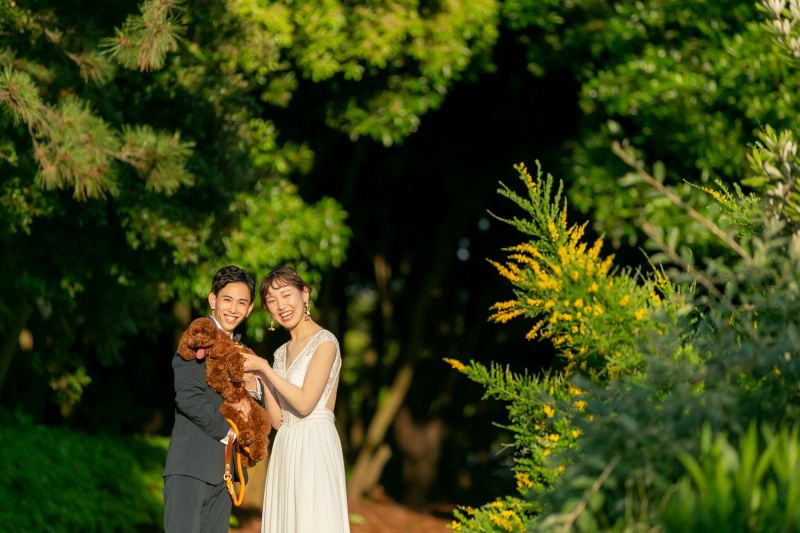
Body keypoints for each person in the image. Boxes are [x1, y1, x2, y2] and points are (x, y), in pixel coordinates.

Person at [242, 266, 350, 533]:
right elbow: (278, 420)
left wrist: (265, 368)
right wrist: (261, 377)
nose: (281, 306)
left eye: (287, 295)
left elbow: (304, 403)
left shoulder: (325, 342)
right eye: (272, 301)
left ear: (305, 294)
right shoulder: (280, 353)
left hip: (315, 442)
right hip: (286, 445)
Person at [163, 265, 264, 533]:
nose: (233, 308)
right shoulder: (195, 340)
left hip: (225, 475)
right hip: (189, 468)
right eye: (227, 299)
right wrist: (230, 431)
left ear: (250, 308)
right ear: (213, 299)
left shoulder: (244, 353)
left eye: (241, 302)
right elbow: (188, 397)